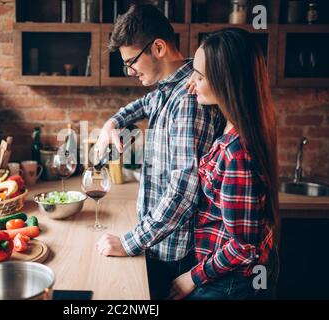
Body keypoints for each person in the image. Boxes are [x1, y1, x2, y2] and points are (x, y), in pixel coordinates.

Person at [94, 4, 223, 299]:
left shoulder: (188, 101)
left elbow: (184, 190)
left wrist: (129, 242)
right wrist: (113, 122)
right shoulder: (168, 90)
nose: (129, 71)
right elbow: (143, 105)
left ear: (159, 48)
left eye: (132, 61)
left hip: (175, 252)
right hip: (158, 243)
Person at [168, 28, 280, 300]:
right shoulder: (231, 128)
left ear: (227, 81)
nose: (190, 83)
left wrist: (191, 278)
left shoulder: (236, 151)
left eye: (200, 76)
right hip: (224, 277)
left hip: (228, 284)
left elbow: (243, 246)